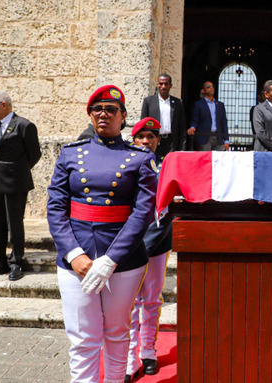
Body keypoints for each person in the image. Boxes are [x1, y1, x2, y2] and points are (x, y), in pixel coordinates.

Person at [47, 85, 158, 383]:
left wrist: (111, 260)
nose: (103, 114)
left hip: (122, 258)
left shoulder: (139, 158)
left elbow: (142, 213)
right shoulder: (70, 153)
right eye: (98, 109)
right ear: (90, 115)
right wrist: (74, 254)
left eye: (111, 110)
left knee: (117, 333)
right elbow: (56, 208)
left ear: (123, 117)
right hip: (76, 258)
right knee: (83, 337)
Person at [125, 117, 173, 382]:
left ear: (157, 140)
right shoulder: (124, 164)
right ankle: (130, 357)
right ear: (134, 140)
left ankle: (148, 352)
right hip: (129, 244)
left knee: (152, 299)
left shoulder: (166, 167)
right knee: (130, 303)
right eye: (141, 137)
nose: (146, 141)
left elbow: (169, 208)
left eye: (151, 137)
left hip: (157, 242)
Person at [0, 91, 41, 281]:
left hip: (14, 183)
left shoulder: (24, 125)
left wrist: (15, 171)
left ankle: (16, 263)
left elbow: (34, 154)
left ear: (4, 105)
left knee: (14, 224)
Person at [140, 73, 187, 157]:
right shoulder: (148, 101)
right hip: (153, 141)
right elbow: (143, 124)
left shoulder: (178, 103)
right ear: (157, 84)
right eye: (161, 83)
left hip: (172, 143)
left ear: (170, 85)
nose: (163, 86)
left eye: (166, 84)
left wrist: (182, 148)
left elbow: (182, 127)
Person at [188, 81, 229, 151]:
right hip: (204, 138)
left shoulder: (220, 105)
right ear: (203, 91)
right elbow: (195, 119)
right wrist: (192, 127)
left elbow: (224, 123)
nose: (211, 88)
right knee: (205, 160)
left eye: (212, 86)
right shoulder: (198, 104)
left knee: (218, 161)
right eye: (208, 87)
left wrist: (226, 140)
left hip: (219, 138)